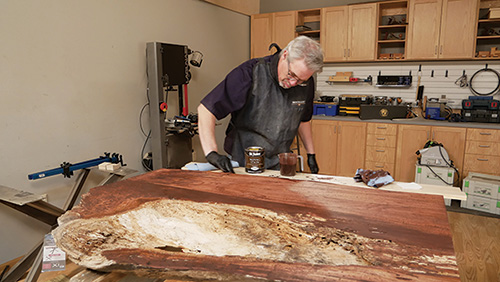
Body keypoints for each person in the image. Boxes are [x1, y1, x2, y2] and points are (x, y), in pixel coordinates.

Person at [197, 36, 323, 173]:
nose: (293, 83)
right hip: (242, 162)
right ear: (285, 55)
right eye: (291, 74)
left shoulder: (306, 84)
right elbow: (206, 109)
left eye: (300, 80)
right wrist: (212, 153)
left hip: (278, 164)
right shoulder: (250, 73)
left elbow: (302, 120)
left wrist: (311, 154)